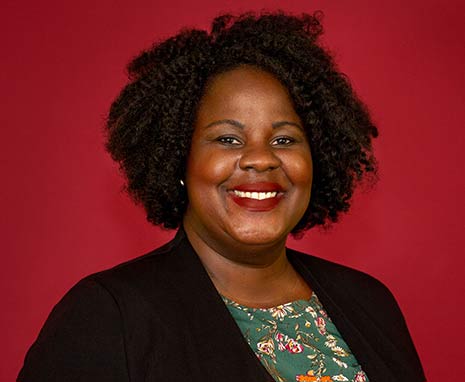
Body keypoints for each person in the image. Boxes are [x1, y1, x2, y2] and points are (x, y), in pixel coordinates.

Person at [18, 11, 425, 382]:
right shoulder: (108, 315)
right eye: (228, 139)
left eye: (284, 139)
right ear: (180, 158)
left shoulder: (370, 303)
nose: (261, 159)